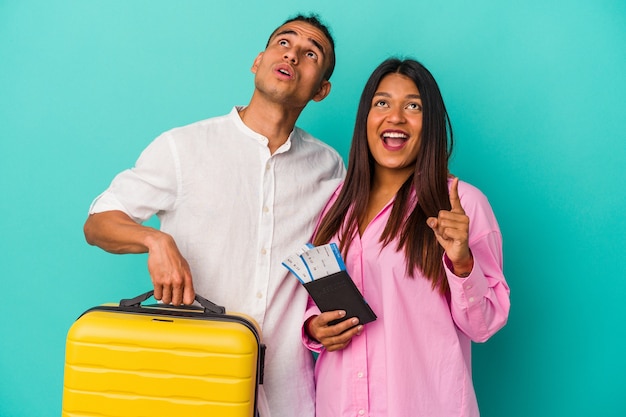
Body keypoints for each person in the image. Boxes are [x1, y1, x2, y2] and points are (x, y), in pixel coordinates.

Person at [83, 14, 345, 417]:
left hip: (287, 394)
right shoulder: (183, 147)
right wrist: (155, 240)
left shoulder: (328, 166)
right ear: (258, 61)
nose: (292, 54)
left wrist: (319, 323)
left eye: (311, 54)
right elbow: (98, 222)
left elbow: (327, 261)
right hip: (194, 385)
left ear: (321, 90)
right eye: (283, 43)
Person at [303, 58, 510, 417]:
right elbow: (320, 295)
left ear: (430, 124)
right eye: (382, 103)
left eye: (413, 106)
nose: (395, 116)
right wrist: (315, 328)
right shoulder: (335, 204)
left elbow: (484, 325)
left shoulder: (462, 206)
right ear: (365, 118)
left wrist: (462, 261)